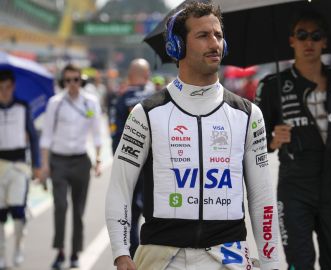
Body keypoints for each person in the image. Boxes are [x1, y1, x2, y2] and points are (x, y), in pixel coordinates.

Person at [105, 2, 279, 270]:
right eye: (203, 35)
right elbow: (120, 187)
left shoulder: (248, 114)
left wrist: (272, 263)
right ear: (177, 46)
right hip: (162, 257)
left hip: (229, 255)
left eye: (218, 35)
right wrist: (120, 251)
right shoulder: (146, 113)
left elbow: (262, 196)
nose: (215, 43)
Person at [255, 10, 331, 270]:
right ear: (291, 40)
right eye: (302, 35)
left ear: (325, 41)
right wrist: (273, 140)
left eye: (316, 36)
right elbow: (254, 143)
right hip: (295, 187)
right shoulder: (272, 86)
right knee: (299, 263)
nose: (309, 42)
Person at [39, 64, 103, 269]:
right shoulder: (55, 103)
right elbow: (46, 136)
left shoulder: (90, 102)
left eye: (76, 80)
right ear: (63, 82)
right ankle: (60, 251)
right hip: (58, 160)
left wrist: (99, 160)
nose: (72, 84)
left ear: (81, 80)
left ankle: (75, 252)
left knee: (78, 210)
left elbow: (97, 132)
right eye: (68, 80)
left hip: (81, 161)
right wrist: (44, 165)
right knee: (60, 206)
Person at [109, 58, 152, 258]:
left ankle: (134, 255)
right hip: (154, 164)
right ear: (147, 75)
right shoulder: (156, 97)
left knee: (132, 213)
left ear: (129, 76)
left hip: (130, 161)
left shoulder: (121, 98)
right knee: (155, 211)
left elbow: (115, 131)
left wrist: (116, 158)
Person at [0, 70, 41, 269]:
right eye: (0, 87)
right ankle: (0, 253)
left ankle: (18, 247)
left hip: (18, 165)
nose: (4, 91)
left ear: (13, 87)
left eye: (7, 87)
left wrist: (38, 165)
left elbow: (33, 138)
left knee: (17, 210)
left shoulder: (22, 107)